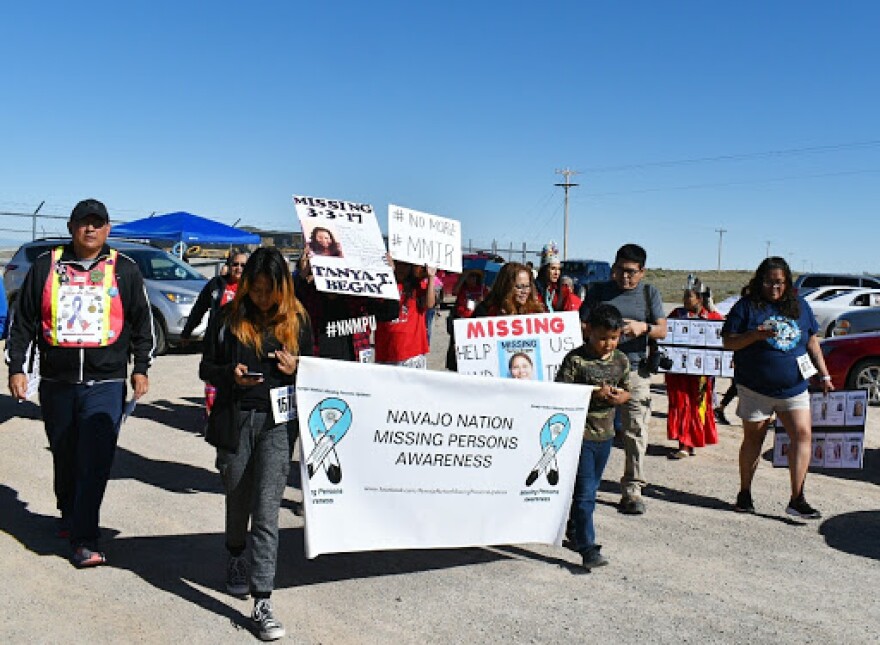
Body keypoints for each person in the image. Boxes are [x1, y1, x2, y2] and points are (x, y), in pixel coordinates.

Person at [6, 198, 154, 567]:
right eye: (83, 223)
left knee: (96, 458)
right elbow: (22, 321)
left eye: (97, 223)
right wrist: (17, 367)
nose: (90, 229)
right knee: (65, 453)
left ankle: (86, 538)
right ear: (72, 227)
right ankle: (69, 512)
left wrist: (141, 366)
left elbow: (141, 321)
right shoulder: (46, 266)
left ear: (108, 229)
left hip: (105, 382)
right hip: (58, 380)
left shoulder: (125, 269)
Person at [199, 247, 312, 640]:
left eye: (269, 290)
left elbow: (317, 369)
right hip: (237, 419)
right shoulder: (229, 316)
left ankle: (262, 600)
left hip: (279, 425)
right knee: (237, 496)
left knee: (266, 511)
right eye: (257, 289)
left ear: (282, 287)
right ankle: (234, 556)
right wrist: (231, 373)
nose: (263, 297)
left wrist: (299, 367)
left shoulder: (297, 320)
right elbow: (205, 367)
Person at [722, 256, 833, 519]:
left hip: (794, 388)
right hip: (755, 389)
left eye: (780, 283)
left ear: (788, 283)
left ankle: (797, 498)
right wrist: (754, 336)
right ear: (760, 281)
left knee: (803, 435)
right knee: (754, 439)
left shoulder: (800, 306)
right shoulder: (747, 307)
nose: (775, 288)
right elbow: (728, 342)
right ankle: (745, 493)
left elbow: (812, 343)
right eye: (770, 282)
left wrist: (825, 375)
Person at [578, 244, 667, 515]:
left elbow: (662, 330)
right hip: (596, 368)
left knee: (636, 430)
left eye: (630, 272)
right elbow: (579, 324)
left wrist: (644, 328)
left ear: (642, 272)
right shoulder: (598, 292)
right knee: (589, 429)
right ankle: (583, 486)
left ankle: (632, 489)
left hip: (635, 371)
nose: (623, 277)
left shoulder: (649, 294)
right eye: (619, 270)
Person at [556, 304, 631, 570]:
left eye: (614, 337)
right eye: (602, 338)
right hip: (581, 437)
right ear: (588, 331)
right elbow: (560, 393)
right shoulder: (576, 360)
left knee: (590, 489)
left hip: (606, 436)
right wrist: (592, 394)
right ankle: (588, 548)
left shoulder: (621, 360)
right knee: (586, 494)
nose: (608, 344)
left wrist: (621, 397)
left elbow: (628, 390)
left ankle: (575, 532)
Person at [294, 253, 399, 362]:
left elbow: (390, 312)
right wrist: (302, 275)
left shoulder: (358, 295)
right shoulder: (310, 295)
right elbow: (288, 307)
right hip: (320, 366)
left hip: (354, 366)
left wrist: (389, 277)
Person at [181, 251, 249, 418]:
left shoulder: (252, 288)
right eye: (235, 264)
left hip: (241, 342)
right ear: (229, 266)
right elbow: (199, 308)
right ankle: (212, 416)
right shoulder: (216, 284)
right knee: (213, 377)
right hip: (216, 341)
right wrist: (187, 332)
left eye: (243, 265)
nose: (239, 268)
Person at [446, 261, 545, 371]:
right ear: (506, 286)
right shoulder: (486, 311)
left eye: (527, 286)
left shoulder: (536, 312)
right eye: (519, 287)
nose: (525, 291)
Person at [665, 287, 724, 459]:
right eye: (684, 296)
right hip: (679, 373)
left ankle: (691, 442)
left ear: (699, 299)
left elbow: (722, 331)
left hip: (701, 374)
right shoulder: (677, 314)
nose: (684, 300)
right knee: (681, 405)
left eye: (688, 297)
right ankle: (684, 443)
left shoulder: (710, 316)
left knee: (697, 406)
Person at [374, 260, 436, 368]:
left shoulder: (416, 286)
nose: (402, 269)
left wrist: (431, 277)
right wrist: (388, 272)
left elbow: (429, 304)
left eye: (406, 265)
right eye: (398, 264)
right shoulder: (381, 284)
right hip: (386, 352)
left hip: (412, 353)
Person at [535, 242, 580, 312]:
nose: (556, 273)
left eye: (558, 269)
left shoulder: (563, 290)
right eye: (553, 268)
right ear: (545, 269)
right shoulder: (534, 290)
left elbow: (570, 310)